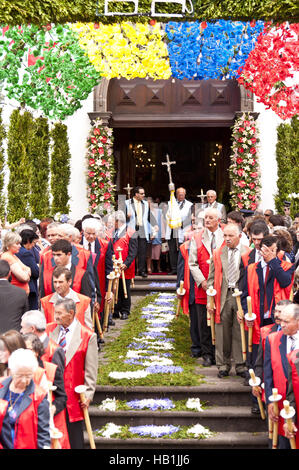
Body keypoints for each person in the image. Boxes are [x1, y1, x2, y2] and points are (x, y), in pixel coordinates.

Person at [46, 298, 98, 449]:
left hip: (74, 396)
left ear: (71, 313)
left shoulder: (88, 336)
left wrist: (88, 394)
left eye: (59, 313)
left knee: (74, 439)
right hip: (53, 395)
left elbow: (91, 369)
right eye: (55, 312)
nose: (55, 316)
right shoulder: (49, 330)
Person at [241, 234, 295, 370]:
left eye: (271, 250)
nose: (267, 253)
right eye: (265, 250)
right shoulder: (251, 268)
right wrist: (247, 313)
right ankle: (255, 378)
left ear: (277, 252)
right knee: (256, 353)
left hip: (276, 318)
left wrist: (272, 261)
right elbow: (244, 295)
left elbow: (285, 282)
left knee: (275, 354)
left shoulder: (286, 267)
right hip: (257, 317)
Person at [207, 223, 250, 378]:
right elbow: (211, 279)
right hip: (223, 295)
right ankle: (223, 365)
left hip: (240, 296)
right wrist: (209, 300)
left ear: (239, 236)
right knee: (222, 331)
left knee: (239, 331)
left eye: (230, 235)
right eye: (224, 235)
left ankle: (240, 365)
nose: (227, 239)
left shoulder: (248, 253)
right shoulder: (218, 253)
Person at [188, 208, 225, 366]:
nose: (207, 220)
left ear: (219, 220)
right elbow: (192, 263)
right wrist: (202, 281)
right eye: (205, 218)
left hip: (222, 284)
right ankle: (207, 353)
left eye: (211, 218)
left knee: (220, 319)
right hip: (203, 286)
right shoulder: (197, 237)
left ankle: (221, 353)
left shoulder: (226, 235)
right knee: (203, 321)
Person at [23, 333, 70, 449]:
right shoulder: (19, 372)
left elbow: (62, 397)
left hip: (51, 421)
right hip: (28, 426)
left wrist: (51, 409)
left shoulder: (50, 369)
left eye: (27, 349)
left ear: (36, 351)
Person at [264, 303, 299, 449]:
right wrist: (270, 402)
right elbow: (268, 375)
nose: (282, 325)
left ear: (297, 322)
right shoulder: (272, 339)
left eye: (286, 321)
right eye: (281, 321)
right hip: (282, 406)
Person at [0, 348, 50, 449]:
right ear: (11, 372)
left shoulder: (39, 396)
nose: (24, 380)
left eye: (28, 376)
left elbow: (43, 433)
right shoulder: (1, 386)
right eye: (20, 375)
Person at [39, 238, 96, 303]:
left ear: (69, 254)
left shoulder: (81, 274)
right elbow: (42, 299)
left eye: (59, 255)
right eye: (54, 255)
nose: (55, 258)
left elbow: (86, 300)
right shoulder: (46, 274)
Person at [81, 217, 114, 326]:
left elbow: (109, 268)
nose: (91, 236)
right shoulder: (77, 245)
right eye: (88, 233)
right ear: (83, 232)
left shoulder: (105, 245)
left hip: (99, 283)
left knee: (98, 310)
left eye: (93, 233)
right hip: (82, 283)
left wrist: (110, 289)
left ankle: (98, 334)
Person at [20, 310, 65, 375]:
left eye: (22, 327)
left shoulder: (54, 350)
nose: (21, 331)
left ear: (32, 329)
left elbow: (57, 380)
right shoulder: (24, 345)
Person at [125, 186, 157, 277]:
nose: (144, 195)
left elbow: (149, 215)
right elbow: (121, 216)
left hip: (142, 229)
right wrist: (126, 215)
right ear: (136, 194)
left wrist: (155, 224)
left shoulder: (145, 204)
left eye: (143, 193)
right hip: (132, 229)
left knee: (142, 251)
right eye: (142, 193)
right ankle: (132, 270)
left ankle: (142, 271)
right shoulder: (127, 202)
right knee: (132, 251)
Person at [111, 210, 138, 320]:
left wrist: (126, 264)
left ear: (118, 221)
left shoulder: (131, 232)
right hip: (115, 264)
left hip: (125, 266)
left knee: (124, 288)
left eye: (114, 221)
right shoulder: (113, 232)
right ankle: (116, 310)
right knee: (115, 288)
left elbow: (133, 251)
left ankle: (125, 310)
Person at [165, 187, 193, 275]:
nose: (181, 196)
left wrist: (180, 224)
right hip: (172, 229)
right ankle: (174, 269)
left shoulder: (190, 204)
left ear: (185, 194)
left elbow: (190, 217)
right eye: (179, 194)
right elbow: (166, 215)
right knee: (172, 250)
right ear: (176, 194)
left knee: (183, 250)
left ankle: (183, 269)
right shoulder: (170, 203)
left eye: (182, 194)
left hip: (183, 229)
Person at [0, 260, 28, 334]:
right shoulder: (21, 293)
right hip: (14, 337)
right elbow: (25, 316)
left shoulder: (21, 292)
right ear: (9, 273)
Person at [16, 229, 40, 310]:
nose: (34, 245)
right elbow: (36, 272)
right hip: (29, 288)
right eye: (34, 243)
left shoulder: (16, 251)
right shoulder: (25, 253)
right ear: (29, 241)